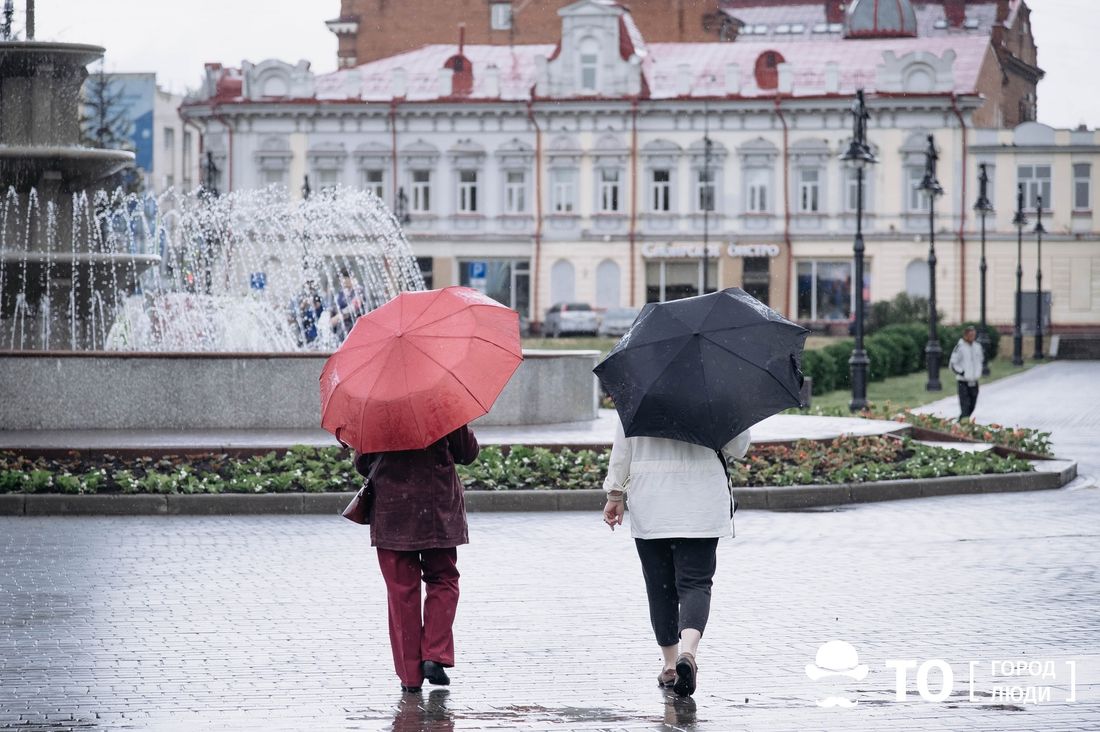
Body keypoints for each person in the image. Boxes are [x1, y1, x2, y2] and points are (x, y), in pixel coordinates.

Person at [601, 419, 751, 698]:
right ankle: (689, 653)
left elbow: (623, 447)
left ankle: (670, 665)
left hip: (652, 500)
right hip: (702, 503)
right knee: (696, 582)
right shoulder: (717, 386)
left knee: (660, 587)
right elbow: (738, 447)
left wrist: (615, 493)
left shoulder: (638, 386)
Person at [354, 425, 479, 693]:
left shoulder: (375, 406)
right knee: (443, 578)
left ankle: (410, 677)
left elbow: (363, 464)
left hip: (392, 510)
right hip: (436, 508)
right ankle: (434, 654)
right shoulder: (439, 399)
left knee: (401, 592)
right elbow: (467, 453)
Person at [949, 325, 984, 419]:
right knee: (965, 407)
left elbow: (980, 360)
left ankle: (961, 423)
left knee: (972, 405)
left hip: (974, 382)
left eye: (974, 334)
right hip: (963, 382)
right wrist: (962, 372)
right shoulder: (959, 347)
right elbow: (953, 364)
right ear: (965, 335)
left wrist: (978, 372)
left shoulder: (977, 347)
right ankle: (962, 426)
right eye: (970, 334)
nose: (972, 336)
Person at [329, 268, 367, 340]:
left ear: (350, 278)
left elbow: (354, 307)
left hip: (355, 326)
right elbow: (334, 307)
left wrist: (338, 317)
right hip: (341, 329)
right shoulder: (341, 293)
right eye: (340, 279)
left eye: (343, 279)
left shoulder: (359, 290)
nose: (341, 281)